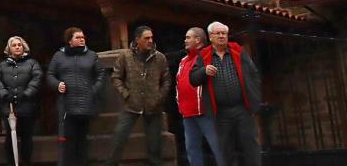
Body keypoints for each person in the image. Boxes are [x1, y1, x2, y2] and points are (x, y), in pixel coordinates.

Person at [189, 22, 262, 166]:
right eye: (218, 33)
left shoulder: (238, 51)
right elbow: (193, 79)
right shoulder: (203, 56)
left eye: (224, 33)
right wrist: (204, 71)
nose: (222, 36)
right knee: (226, 150)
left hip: (242, 109)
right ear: (210, 37)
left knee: (250, 146)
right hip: (220, 112)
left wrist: (254, 97)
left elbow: (254, 75)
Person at [105, 26, 170, 166]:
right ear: (137, 40)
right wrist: (126, 94)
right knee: (119, 137)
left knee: (154, 145)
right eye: (146, 38)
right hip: (131, 105)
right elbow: (116, 77)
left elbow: (166, 80)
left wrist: (159, 97)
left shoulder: (160, 57)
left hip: (153, 106)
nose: (150, 41)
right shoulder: (125, 56)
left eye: (151, 38)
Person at [46, 27, 105, 166]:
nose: (82, 39)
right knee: (68, 140)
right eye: (78, 37)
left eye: (83, 37)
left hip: (86, 104)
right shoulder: (59, 56)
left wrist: (93, 90)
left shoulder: (92, 55)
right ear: (69, 41)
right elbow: (50, 75)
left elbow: (101, 75)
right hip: (66, 105)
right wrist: (57, 84)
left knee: (83, 140)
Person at [0, 36, 42, 166]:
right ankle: (11, 162)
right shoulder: (2, 65)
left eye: (19, 45)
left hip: (27, 106)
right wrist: (4, 94)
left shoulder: (32, 63)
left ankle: (26, 162)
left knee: (27, 137)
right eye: (14, 45)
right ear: (10, 48)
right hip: (9, 108)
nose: (17, 47)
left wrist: (26, 94)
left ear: (23, 46)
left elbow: (36, 79)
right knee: (10, 137)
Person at [177, 28, 224, 166]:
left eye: (188, 37)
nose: (185, 40)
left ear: (198, 40)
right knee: (192, 150)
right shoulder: (183, 61)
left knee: (218, 148)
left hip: (206, 111)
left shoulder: (209, 56)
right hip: (187, 113)